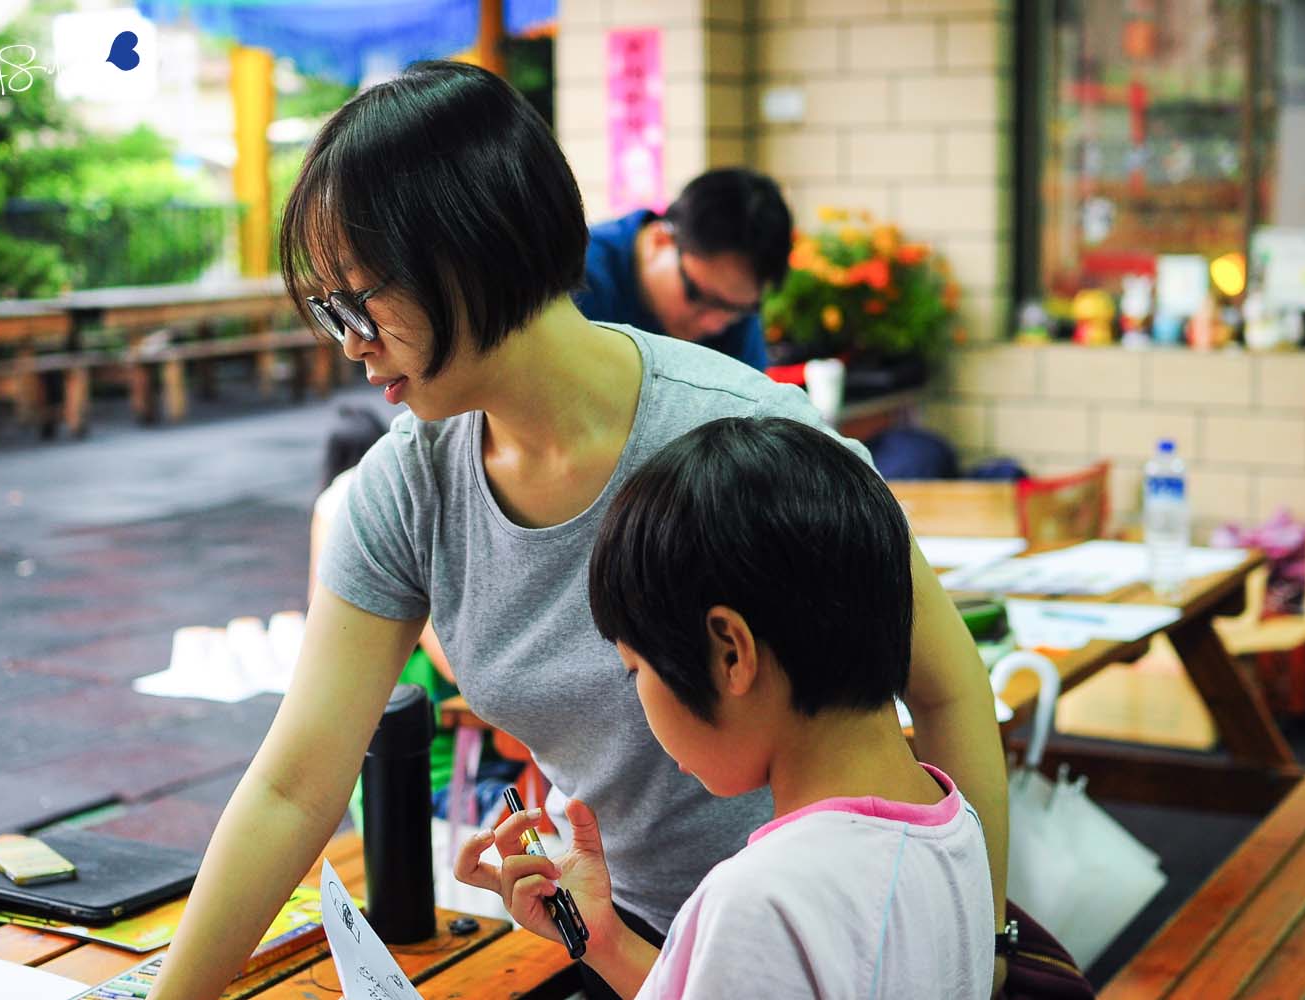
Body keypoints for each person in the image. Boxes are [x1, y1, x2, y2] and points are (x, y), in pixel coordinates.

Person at [146, 60, 1006, 1000]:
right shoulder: (408, 487)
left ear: (466, 253)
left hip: (823, 947)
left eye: (360, 300)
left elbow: (948, 690)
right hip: (625, 945)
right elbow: (292, 788)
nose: (348, 340)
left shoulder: (750, 438)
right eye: (327, 310)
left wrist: (984, 947)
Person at [461, 416, 996, 998]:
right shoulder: (952, 824)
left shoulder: (761, 901)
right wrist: (605, 939)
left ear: (731, 652)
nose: (641, 701)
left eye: (637, 671)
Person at [574, 168, 790, 371]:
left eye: (736, 311)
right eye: (696, 296)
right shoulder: (576, 277)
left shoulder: (735, 306)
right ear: (660, 239)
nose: (713, 325)